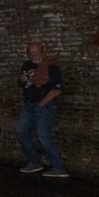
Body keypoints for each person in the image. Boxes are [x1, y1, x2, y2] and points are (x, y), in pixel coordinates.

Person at [17, 41, 67, 177]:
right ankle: (33, 163)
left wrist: (42, 103)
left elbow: (57, 90)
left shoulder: (51, 67)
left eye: (36, 53)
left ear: (43, 52)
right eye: (31, 54)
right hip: (29, 104)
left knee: (43, 136)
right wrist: (22, 80)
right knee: (21, 131)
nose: (33, 56)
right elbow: (23, 83)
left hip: (43, 106)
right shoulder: (27, 65)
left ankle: (57, 168)